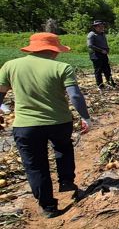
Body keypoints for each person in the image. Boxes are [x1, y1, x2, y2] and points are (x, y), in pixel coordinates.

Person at [0, 33, 91, 218]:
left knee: (35, 166)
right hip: (59, 121)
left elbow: (0, 93)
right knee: (63, 149)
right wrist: (85, 117)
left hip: (25, 125)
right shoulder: (62, 67)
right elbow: (74, 96)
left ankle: (48, 207)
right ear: (53, 50)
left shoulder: (11, 66)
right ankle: (66, 181)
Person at [87, 20, 116, 90]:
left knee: (107, 69)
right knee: (98, 70)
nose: (101, 27)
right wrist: (101, 50)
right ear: (95, 27)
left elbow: (104, 43)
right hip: (96, 54)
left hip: (104, 54)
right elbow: (90, 45)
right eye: (99, 26)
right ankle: (100, 85)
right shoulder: (91, 34)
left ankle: (111, 83)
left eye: (102, 26)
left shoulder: (102, 34)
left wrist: (107, 48)